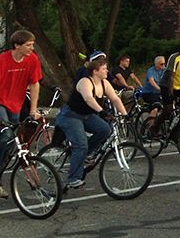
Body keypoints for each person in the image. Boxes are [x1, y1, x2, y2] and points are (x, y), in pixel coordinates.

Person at [0, 30, 43, 197]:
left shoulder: (32, 60)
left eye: (32, 44)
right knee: (5, 134)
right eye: (28, 45)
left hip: (16, 105)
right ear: (17, 45)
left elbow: (35, 84)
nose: (32, 48)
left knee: (12, 145)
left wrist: (33, 110)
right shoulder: (2, 60)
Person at [54, 55, 128, 189]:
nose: (107, 71)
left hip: (87, 115)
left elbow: (115, 99)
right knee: (81, 145)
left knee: (105, 129)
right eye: (104, 69)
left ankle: (85, 154)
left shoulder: (105, 83)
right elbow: (88, 98)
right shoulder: (85, 82)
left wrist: (125, 115)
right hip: (70, 116)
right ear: (95, 71)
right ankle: (73, 178)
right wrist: (101, 111)